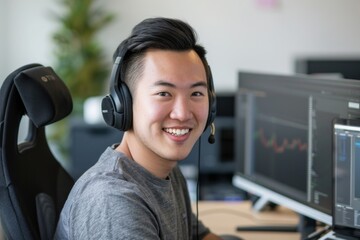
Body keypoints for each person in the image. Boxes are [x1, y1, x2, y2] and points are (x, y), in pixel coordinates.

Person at [55, 17, 230, 239]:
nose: (183, 113)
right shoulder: (114, 202)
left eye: (196, 93)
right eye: (164, 94)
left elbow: (198, 235)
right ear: (124, 104)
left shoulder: (167, 171)